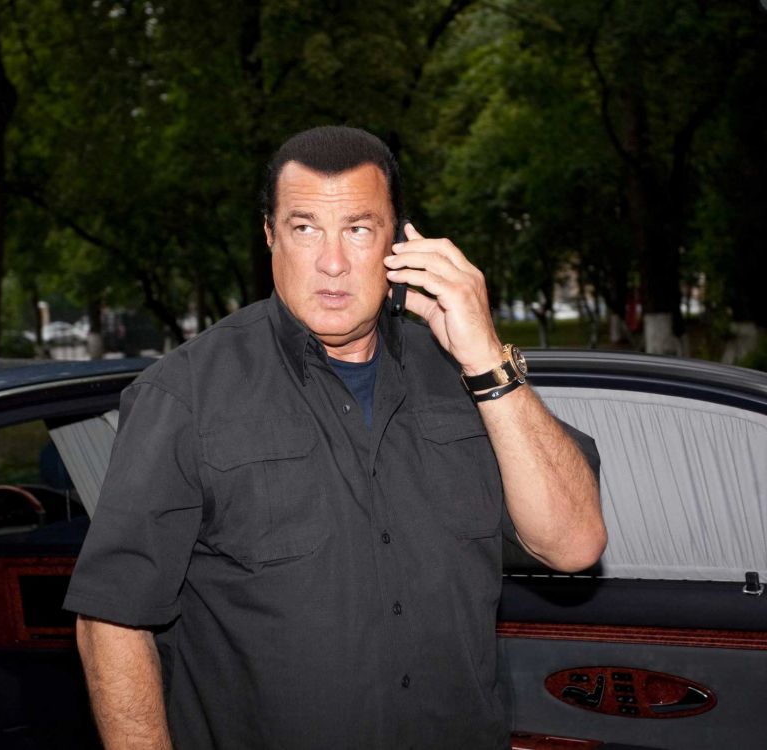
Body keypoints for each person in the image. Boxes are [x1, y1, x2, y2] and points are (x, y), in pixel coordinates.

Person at [64, 126, 606, 749]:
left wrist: (486, 359)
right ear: (269, 235)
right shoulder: (184, 394)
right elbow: (110, 619)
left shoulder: (463, 373)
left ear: (398, 241)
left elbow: (574, 544)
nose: (332, 262)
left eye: (357, 228)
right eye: (304, 228)